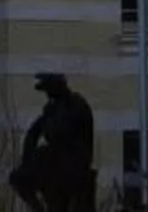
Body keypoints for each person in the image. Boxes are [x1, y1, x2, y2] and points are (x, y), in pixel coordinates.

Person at [10, 70, 96, 212]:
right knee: (19, 178)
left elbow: (59, 134)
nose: (48, 96)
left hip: (73, 163)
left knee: (42, 160)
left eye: (49, 90)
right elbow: (33, 133)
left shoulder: (75, 105)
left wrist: (48, 120)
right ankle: (39, 208)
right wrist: (27, 158)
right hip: (57, 162)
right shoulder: (53, 108)